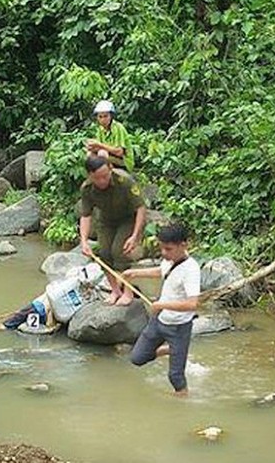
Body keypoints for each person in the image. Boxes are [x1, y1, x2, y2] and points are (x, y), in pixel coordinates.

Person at [124, 223, 201, 397]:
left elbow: (192, 304)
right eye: (162, 248)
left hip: (178, 327)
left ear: (183, 245)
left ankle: (182, 401)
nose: (164, 254)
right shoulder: (170, 261)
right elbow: (162, 271)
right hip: (159, 321)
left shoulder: (191, 270)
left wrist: (161, 305)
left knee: (175, 376)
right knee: (137, 358)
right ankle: (171, 349)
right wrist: (135, 273)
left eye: (168, 249)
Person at [79, 155, 146, 305]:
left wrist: (135, 236)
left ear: (110, 169)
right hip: (106, 220)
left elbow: (141, 208)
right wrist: (83, 241)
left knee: (120, 252)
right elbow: (86, 215)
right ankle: (115, 291)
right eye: (97, 178)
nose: (102, 181)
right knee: (105, 254)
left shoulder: (124, 181)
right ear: (90, 176)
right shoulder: (87, 188)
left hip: (129, 219)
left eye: (105, 176)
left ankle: (128, 293)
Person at [86, 100, 134, 172]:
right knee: (89, 154)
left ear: (111, 116)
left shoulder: (118, 128)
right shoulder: (100, 130)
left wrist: (99, 145)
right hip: (110, 158)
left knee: (102, 153)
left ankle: (108, 173)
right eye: (100, 117)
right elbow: (99, 148)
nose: (103, 120)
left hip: (124, 162)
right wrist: (92, 147)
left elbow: (119, 152)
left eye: (105, 116)